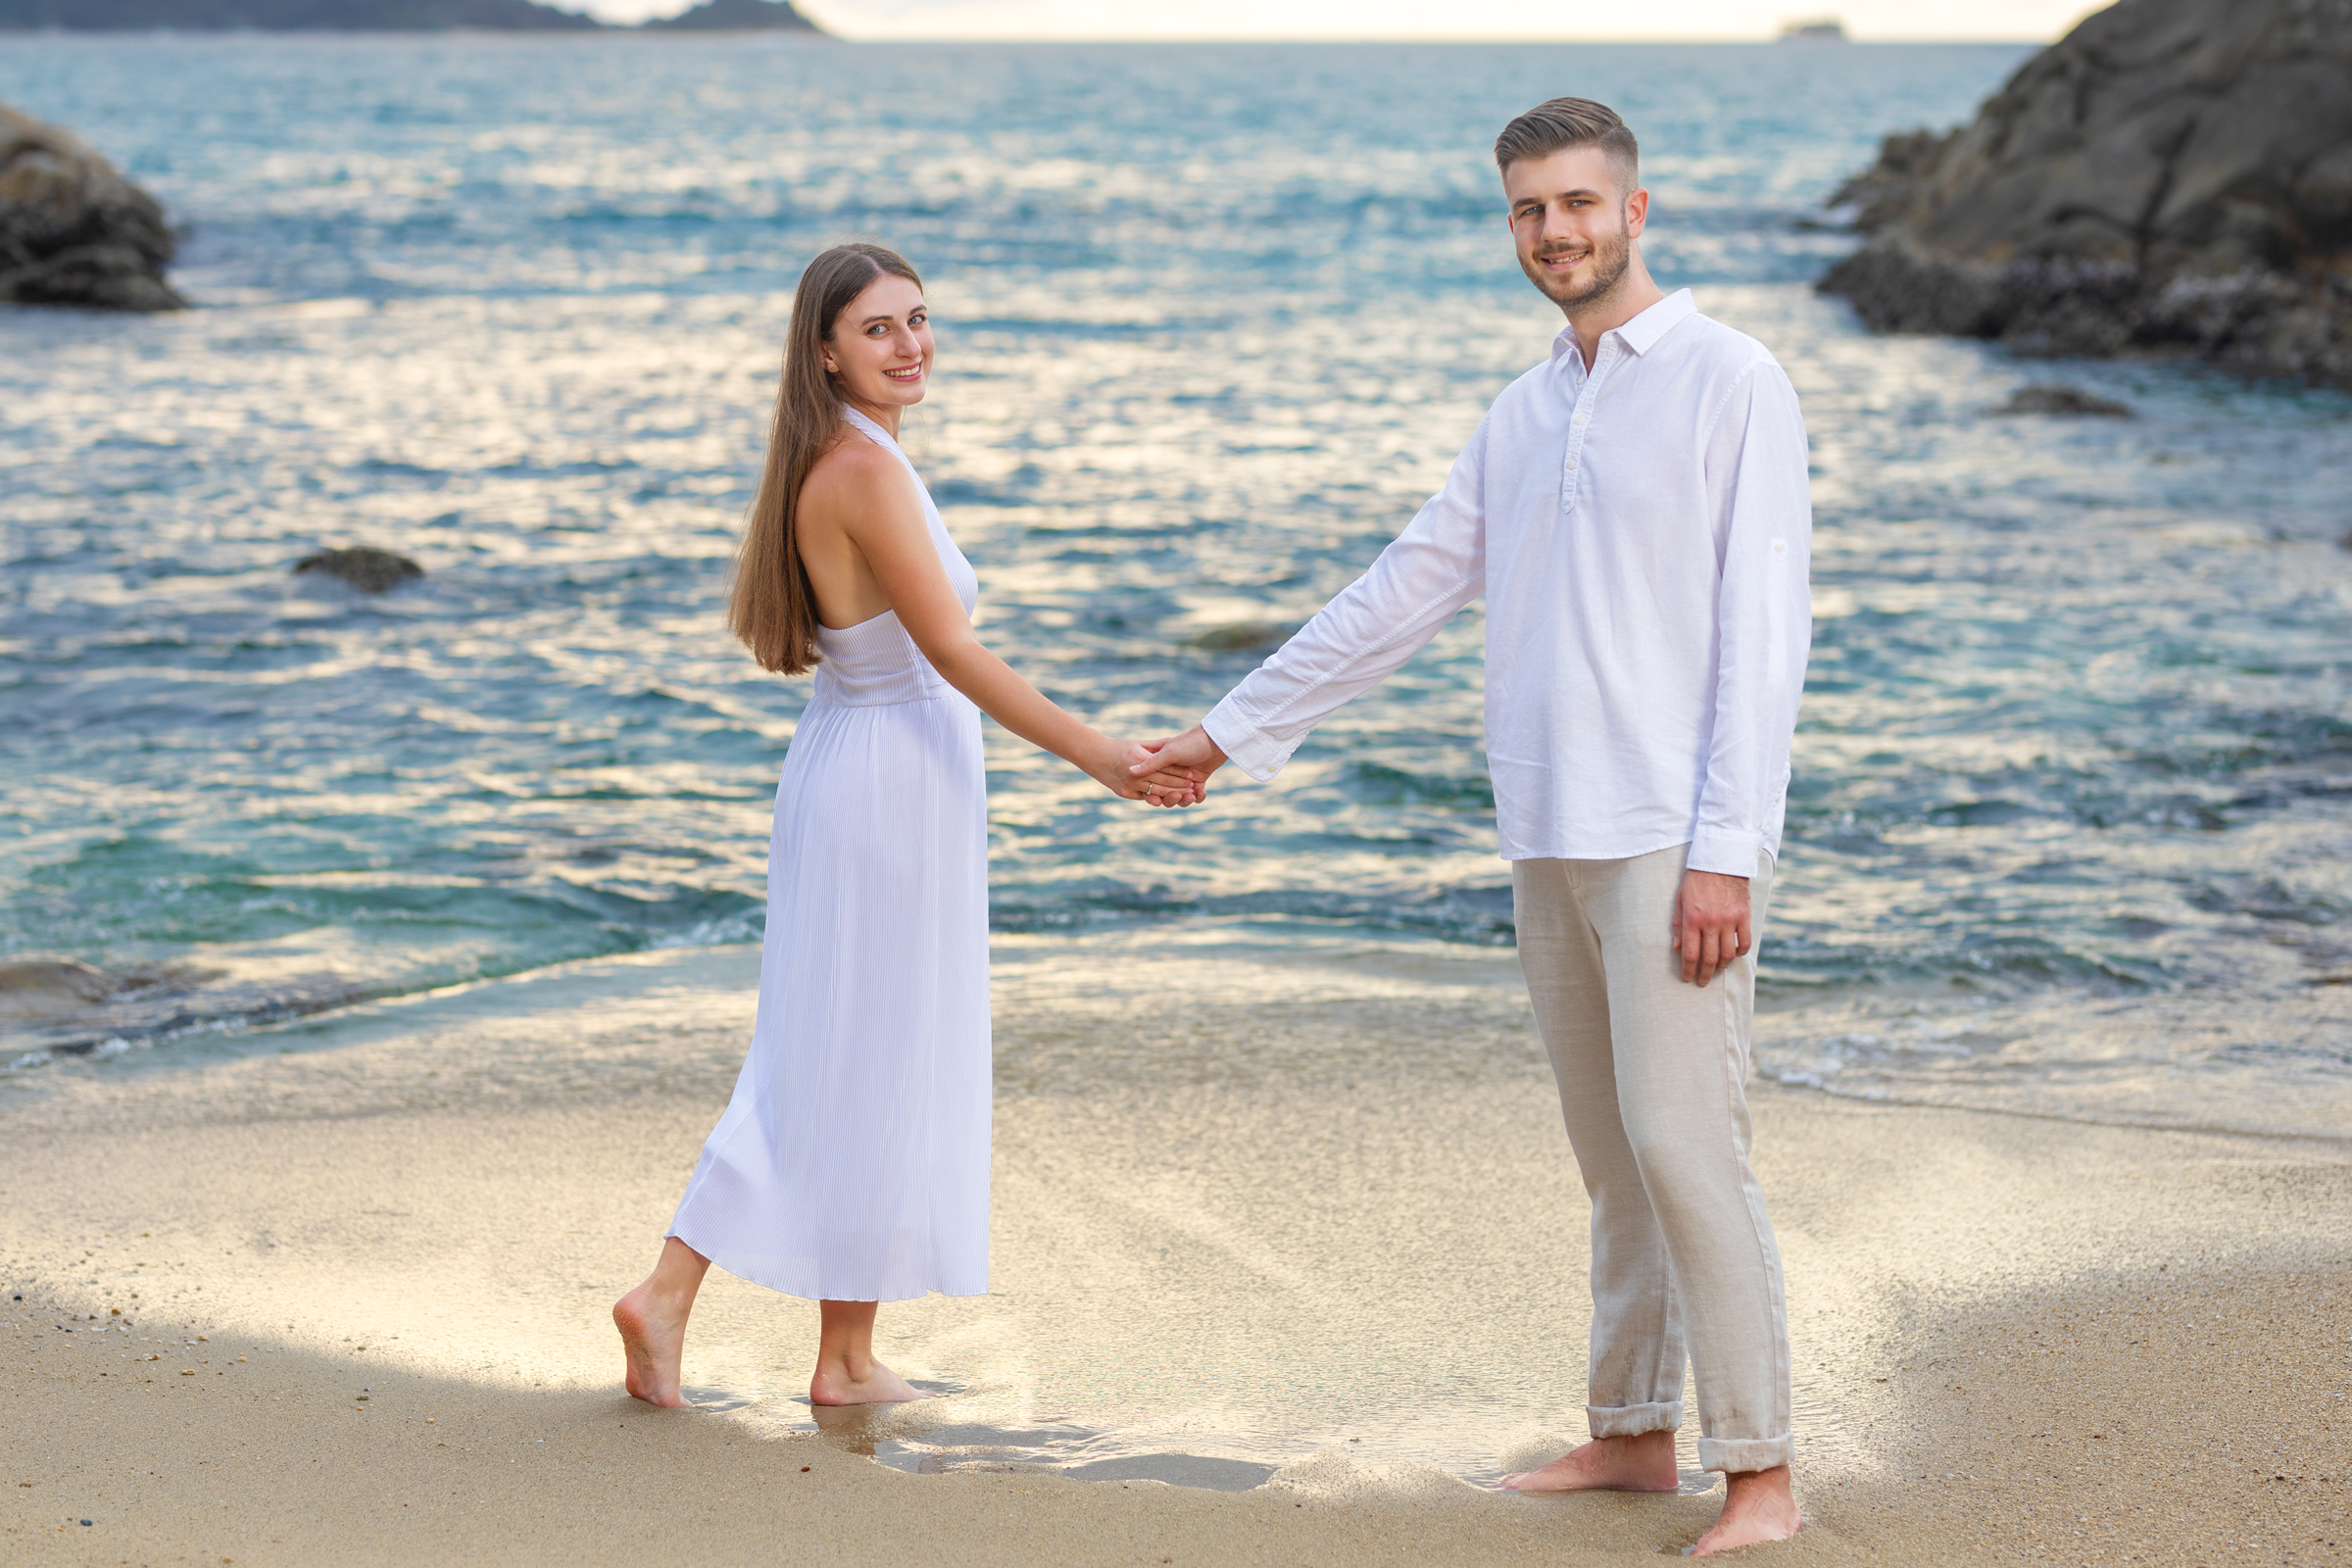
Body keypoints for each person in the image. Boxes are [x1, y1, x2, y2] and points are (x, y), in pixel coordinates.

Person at [1136, 100, 1813, 1554]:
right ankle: (1632, 1435)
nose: (1555, 232)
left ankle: (1760, 1472)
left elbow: (1766, 634)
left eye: (1578, 203)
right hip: (1549, 833)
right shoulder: (1523, 414)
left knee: (1692, 1151)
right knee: (1614, 1159)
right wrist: (1227, 732)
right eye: (1527, 211)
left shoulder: (1727, 380)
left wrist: (1726, 850)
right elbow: (1399, 594)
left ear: (1638, 210)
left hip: (1665, 840)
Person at [614, 243, 1200, 1410]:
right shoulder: (861, 468)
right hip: (882, 786)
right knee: (828, 1062)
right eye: (879, 328)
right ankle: (668, 1291)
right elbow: (952, 649)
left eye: (920, 319)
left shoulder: (852, 454)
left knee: (870, 1061)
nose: (911, 343)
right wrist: (1100, 755)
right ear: (824, 347)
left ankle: (845, 1357)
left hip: (883, 773)